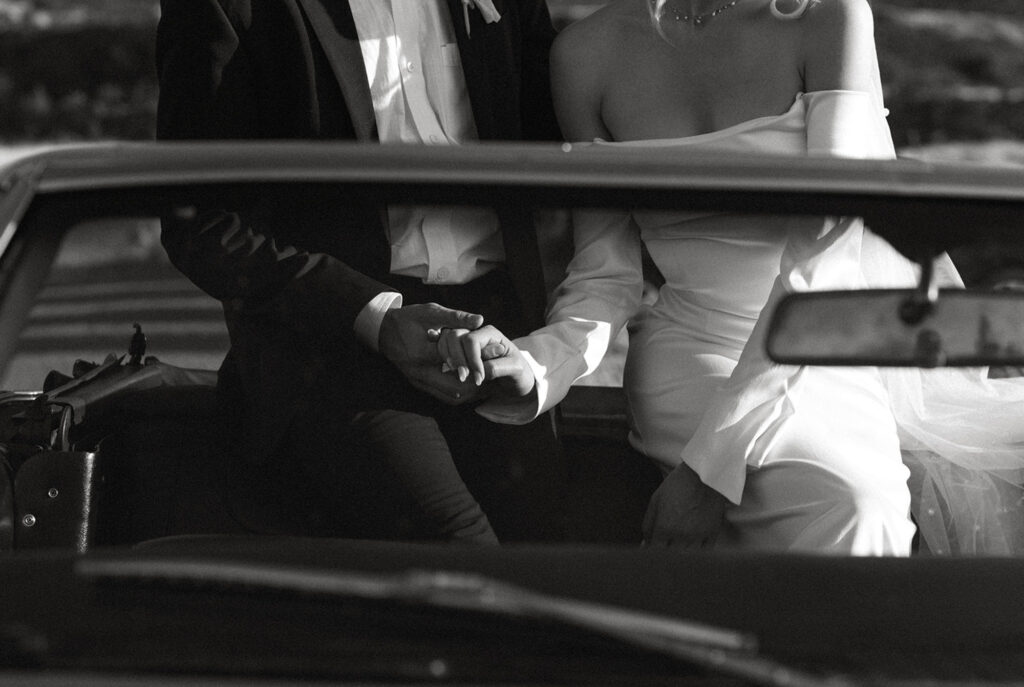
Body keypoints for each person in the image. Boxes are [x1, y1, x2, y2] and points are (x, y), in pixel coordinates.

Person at [437, 0, 1024, 555]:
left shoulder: (828, 17)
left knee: (860, 503)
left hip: (827, 346)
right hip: (690, 355)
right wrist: (539, 364)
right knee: (842, 503)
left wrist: (710, 467)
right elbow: (604, 276)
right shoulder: (584, 52)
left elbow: (828, 256)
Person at [154, 0, 568, 543]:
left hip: (499, 343)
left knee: (553, 565)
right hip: (332, 355)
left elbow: (565, 135)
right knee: (464, 560)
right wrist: (375, 316)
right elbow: (202, 223)